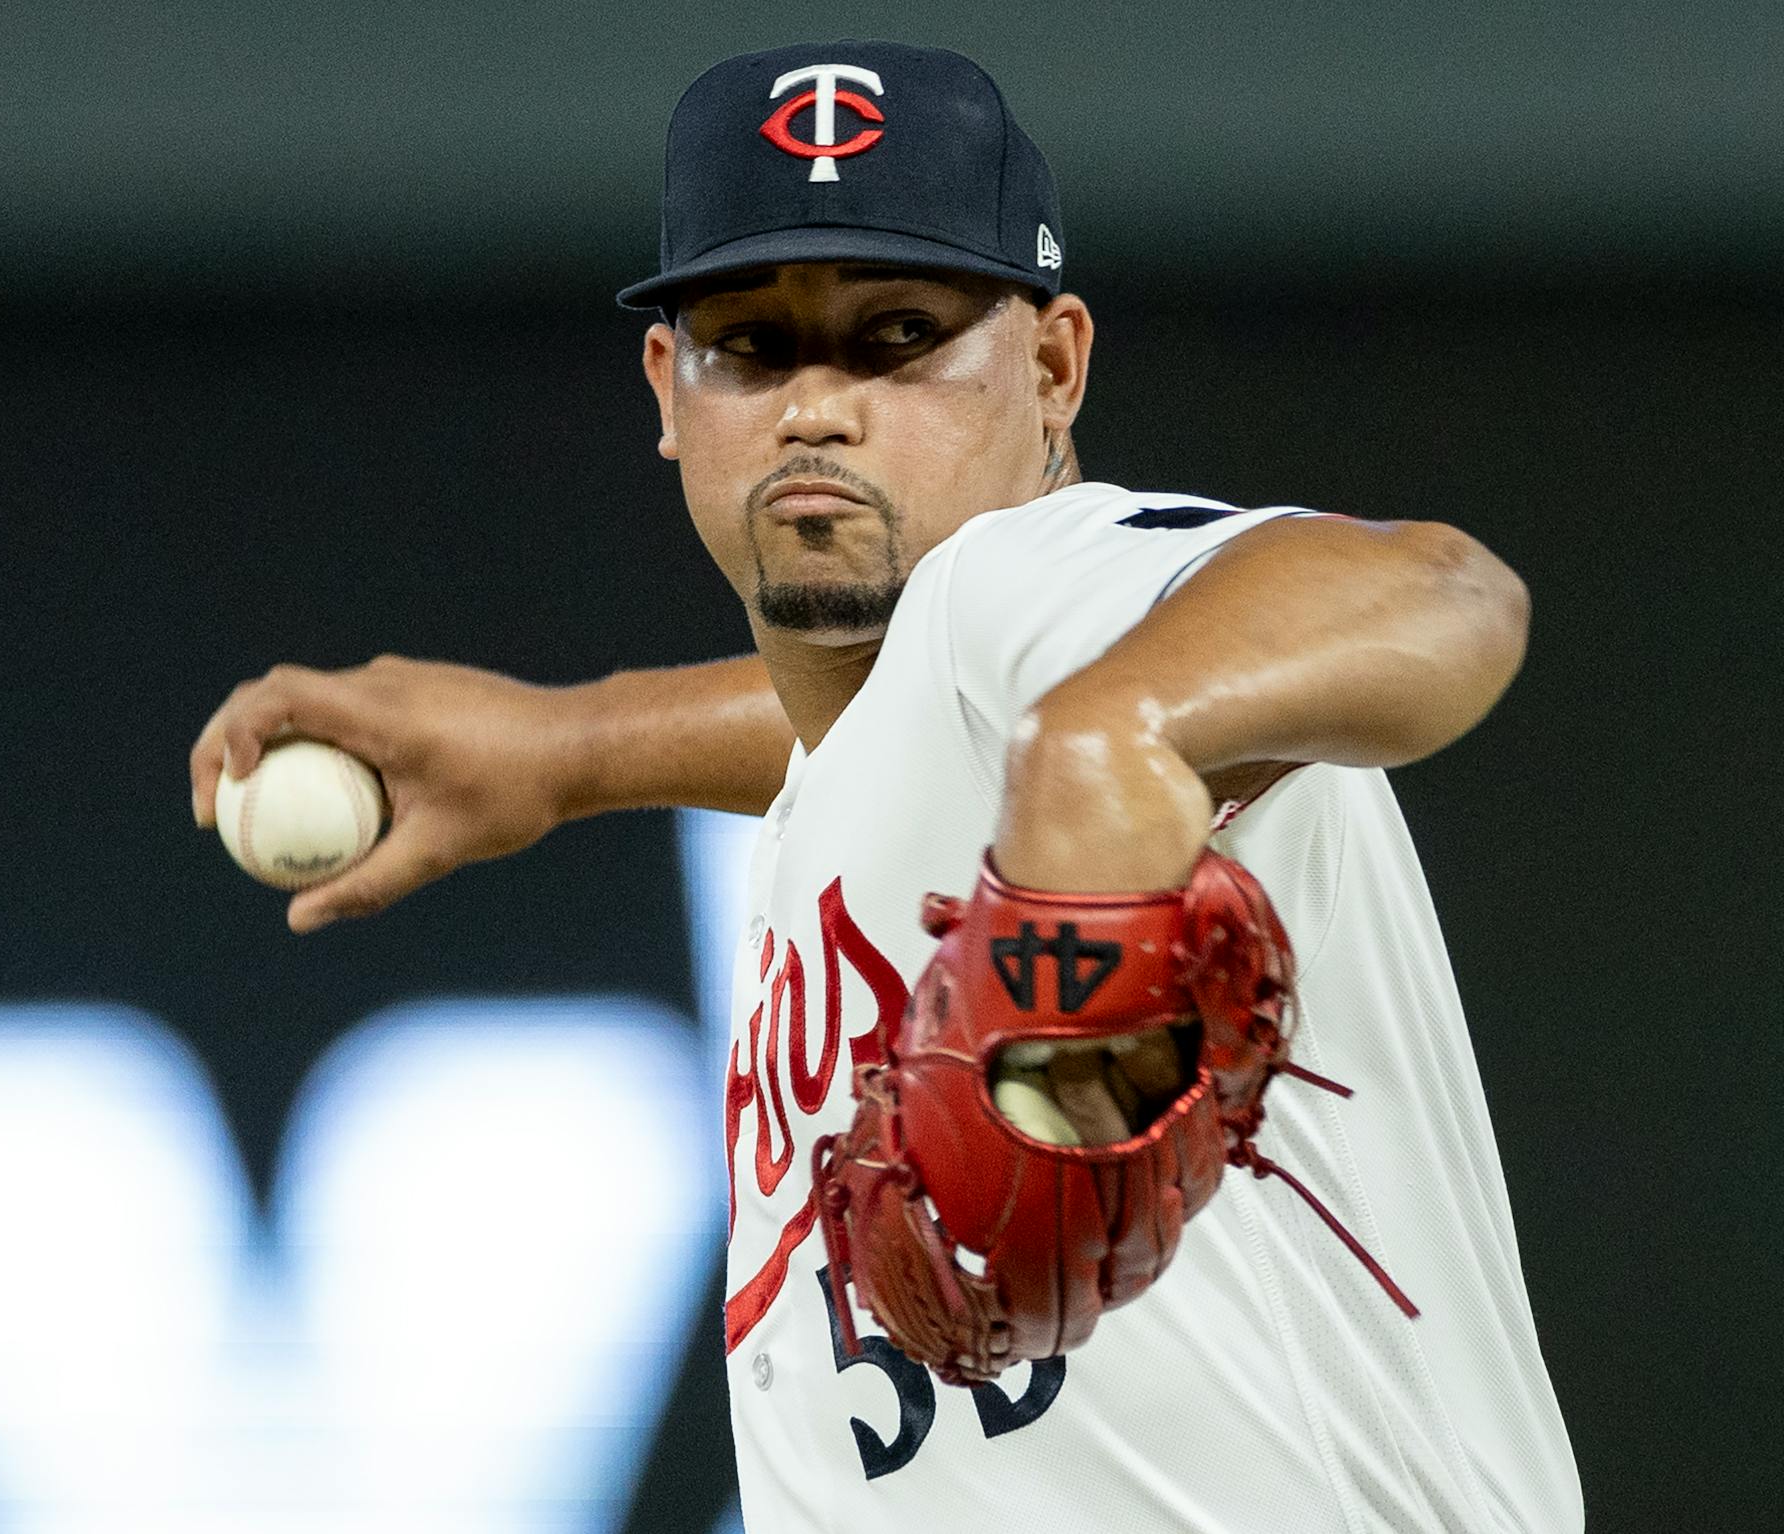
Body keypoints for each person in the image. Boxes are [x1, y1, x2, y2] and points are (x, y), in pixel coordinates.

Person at [191, 40, 1581, 1533]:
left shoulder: (1032, 590)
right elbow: (857, 734)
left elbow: (1442, 591)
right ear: (669, 386)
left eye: (898, 334)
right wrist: (572, 746)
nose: (816, 406)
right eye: (753, 343)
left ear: (1053, 368)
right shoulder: (880, 756)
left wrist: (1116, 738)